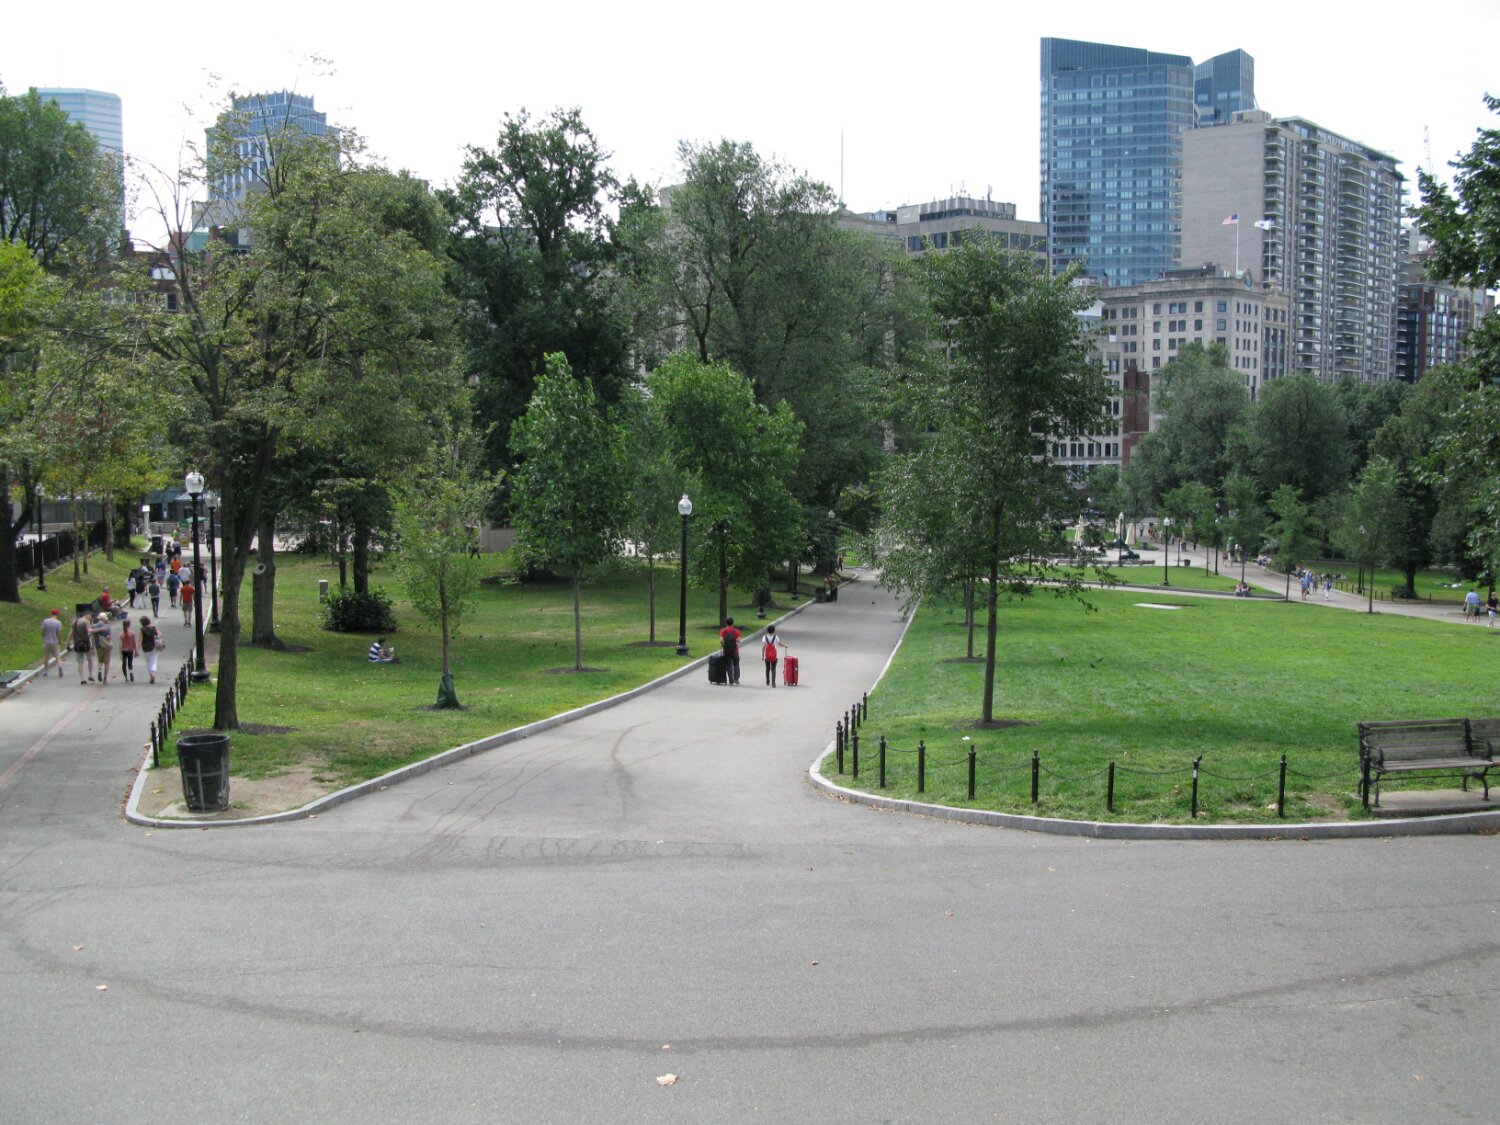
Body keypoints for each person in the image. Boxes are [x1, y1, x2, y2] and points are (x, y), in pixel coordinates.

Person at [89, 611, 115, 685]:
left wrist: (92, 647)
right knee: (107, 663)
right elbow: (110, 638)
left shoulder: (94, 626)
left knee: (100, 660)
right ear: (105, 619)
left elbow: (92, 637)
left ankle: (100, 670)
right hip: (107, 646)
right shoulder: (107, 626)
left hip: (98, 646)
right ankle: (105, 678)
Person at [71, 610, 96, 684]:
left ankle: (82, 678)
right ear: (87, 615)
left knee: (80, 662)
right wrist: (99, 629)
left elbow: (72, 633)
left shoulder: (75, 622)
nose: (91, 618)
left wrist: (68, 643)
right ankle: (90, 675)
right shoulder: (86, 622)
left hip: (77, 643)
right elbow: (89, 631)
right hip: (86, 643)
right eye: (91, 616)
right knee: (90, 659)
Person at [139, 616, 163, 684]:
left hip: (146, 647)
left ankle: (151, 674)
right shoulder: (154, 628)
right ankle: (153, 673)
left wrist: (137, 650)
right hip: (155, 646)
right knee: (154, 661)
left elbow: (140, 640)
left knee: (148, 662)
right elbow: (160, 634)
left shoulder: (142, 630)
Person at [40, 609, 65, 677]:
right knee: (57, 656)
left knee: (46, 657)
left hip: (46, 641)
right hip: (55, 641)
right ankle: (60, 666)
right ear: (57, 614)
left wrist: (43, 638)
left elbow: (43, 631)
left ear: (51, 613)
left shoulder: (45, 621)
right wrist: (60, 640)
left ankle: (46, 671)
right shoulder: (58, 622)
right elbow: (58, 633)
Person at [719, 617, 742, 686]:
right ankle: (736, 679)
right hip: (735, 650)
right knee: (736, 664)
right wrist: (736, 641)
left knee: (729, 665)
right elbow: (739, 640)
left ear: (726, 623)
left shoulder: (723, 631)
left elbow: (721, 640)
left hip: (726, 650)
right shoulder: (736, 631)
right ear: (733, 623)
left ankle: (731, 680)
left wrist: (723, 644)